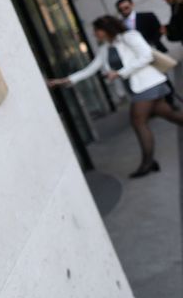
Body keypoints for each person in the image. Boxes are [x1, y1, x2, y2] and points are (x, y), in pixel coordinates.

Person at [48, 15, 183, 178]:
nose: (94, 34)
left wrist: (119, 73)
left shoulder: (129, 37)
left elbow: (147, 55)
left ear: (105, 30)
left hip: (149, 84)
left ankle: (148, 163)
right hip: (139, 87)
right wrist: (65, 80)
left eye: (96, 31)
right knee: (168, 113)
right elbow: (91, 68)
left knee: (138, 121)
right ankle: (149, 162)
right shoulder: (105, 48)